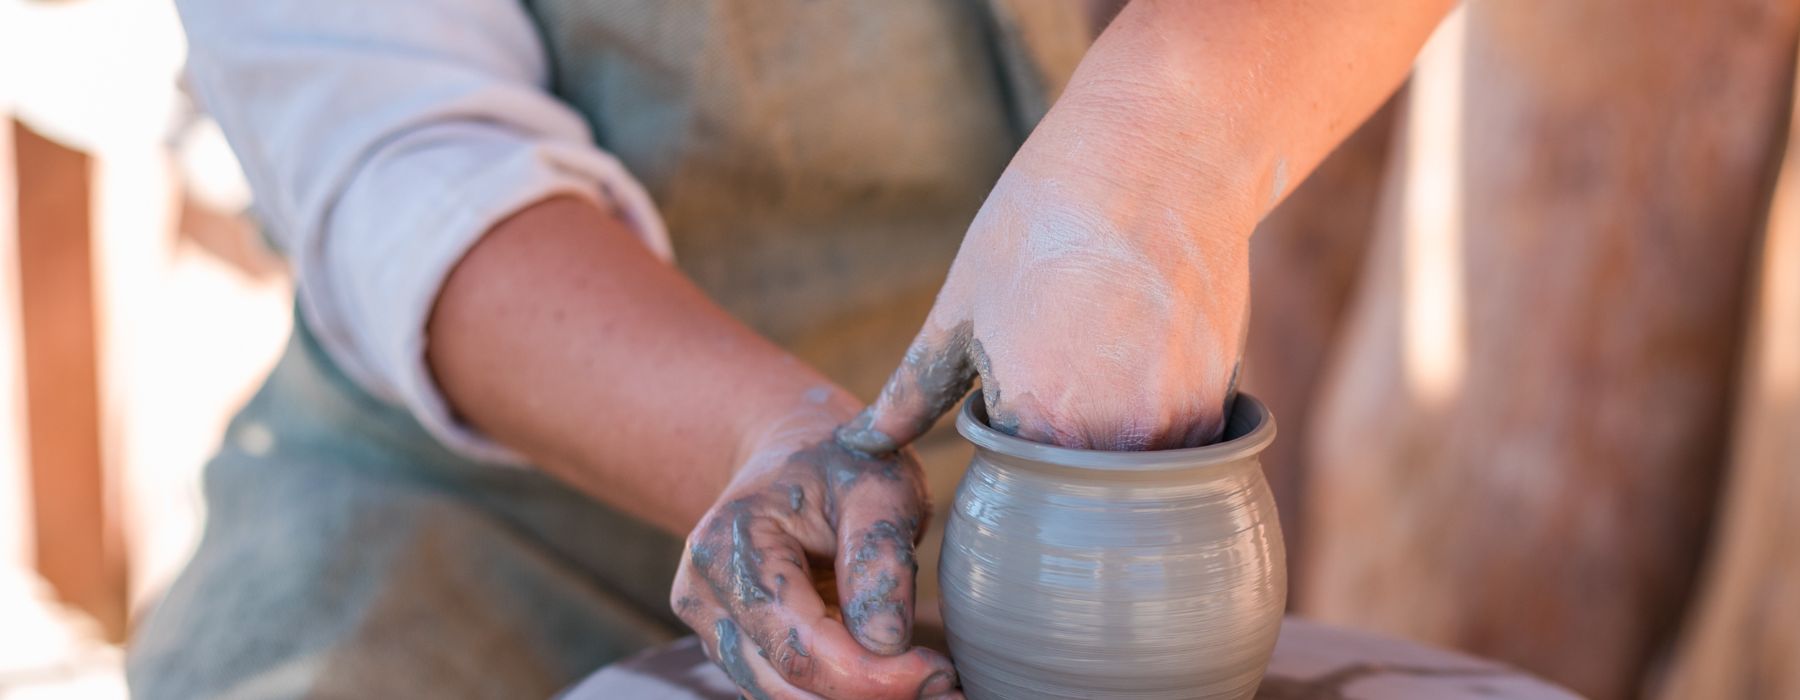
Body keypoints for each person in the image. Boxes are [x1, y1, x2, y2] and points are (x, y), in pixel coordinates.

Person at [127, 1, 1453, 698]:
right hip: (479, 502)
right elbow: (402, 160)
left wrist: (1163, 144)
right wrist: (764, 440)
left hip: (1047, 461)